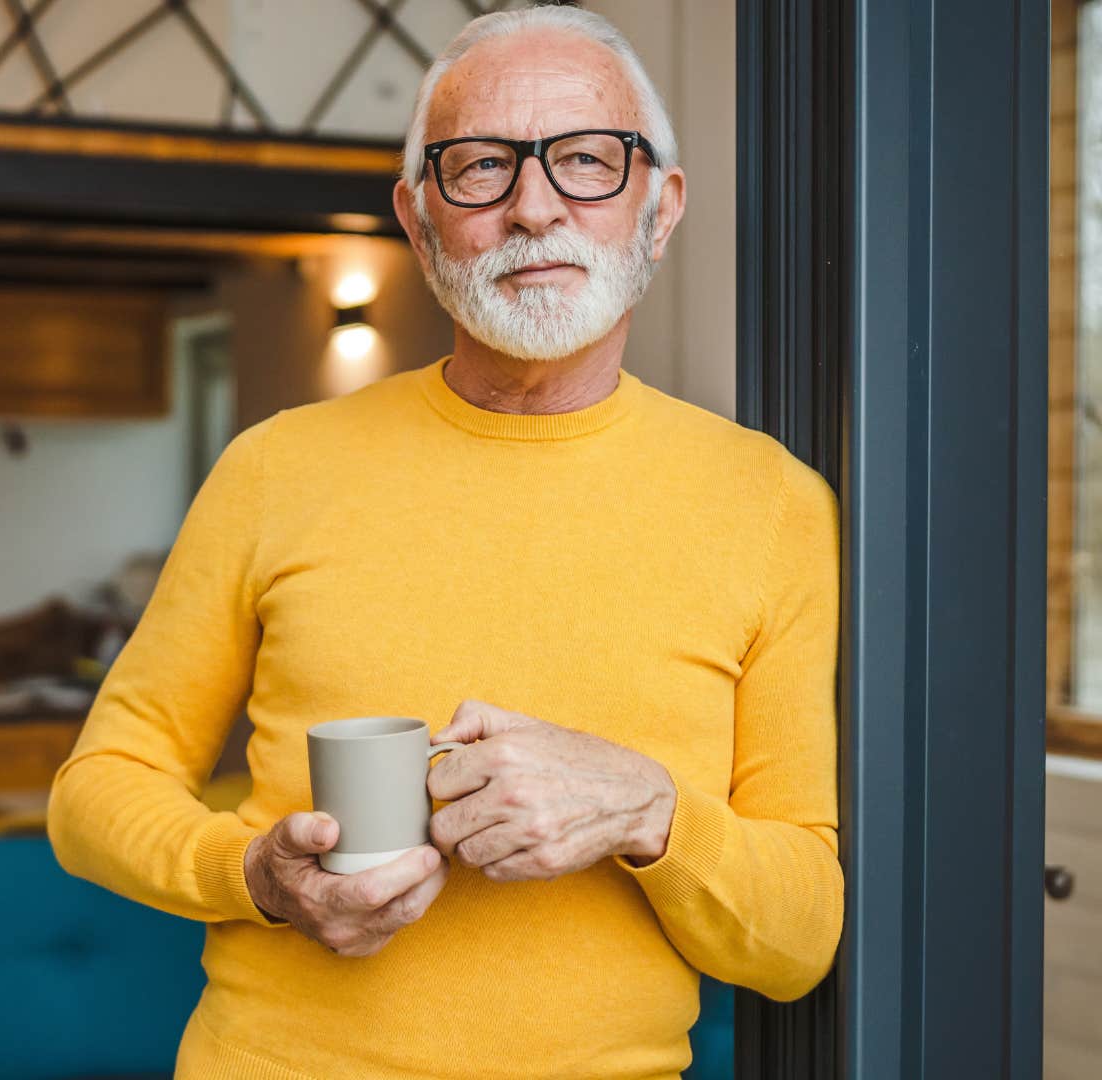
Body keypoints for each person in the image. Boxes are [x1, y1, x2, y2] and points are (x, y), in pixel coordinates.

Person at [47, 8, 840, 1079]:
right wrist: (253, 874)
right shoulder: (275, 468)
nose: (534, 207)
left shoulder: (773, 505)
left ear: (661, 208)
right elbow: (97, 789)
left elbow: (798, 942)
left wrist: (649, 811)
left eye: (590, 161)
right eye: (478, 168)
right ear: (420, 223)